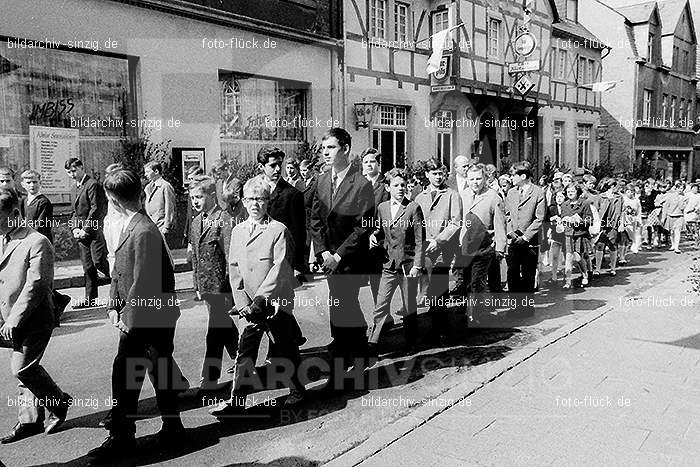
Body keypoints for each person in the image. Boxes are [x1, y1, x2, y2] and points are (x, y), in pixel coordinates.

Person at [88, 169, 185, 461]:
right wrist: (113, 304)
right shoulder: (134, 224)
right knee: (159, 368)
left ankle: (123, 437)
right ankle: (172, 426)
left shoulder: (143, 230)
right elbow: (121, 271)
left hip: (149, 314)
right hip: (146, 312)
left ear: (112, 201)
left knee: (126, 372)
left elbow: (143, 282)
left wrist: (126, 320)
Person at [209, 176, 306, 417]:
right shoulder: (238, 230)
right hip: (248, 306)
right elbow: (234, 268)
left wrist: (261, 300)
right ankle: (237, 400)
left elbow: (281, 267)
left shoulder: (278, 230)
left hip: (274, 303)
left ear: (268, 201)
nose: (255, 204)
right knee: (245, 352)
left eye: (260, 199)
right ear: (243, 200)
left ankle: (297, 390)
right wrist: (242, 302)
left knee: (284, 347)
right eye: (250, 199)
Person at [0, 188, 71, 444]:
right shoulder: (2, 236)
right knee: (21, 368)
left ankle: (59, 402)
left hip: (33, 318)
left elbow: (37, 285)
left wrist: (13, 319)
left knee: (22, 368)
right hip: (7, 317)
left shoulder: (37, 241)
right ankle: (30, 420)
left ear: (15, 213)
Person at [310, 128, 375, 386]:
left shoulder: (361, 184)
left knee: (342, 307)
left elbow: (364, 226)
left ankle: (345, 367)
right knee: (343, 308)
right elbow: (314, 220)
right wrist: (322, 250)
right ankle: (354, 359)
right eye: (323, 148)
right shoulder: (322, 180)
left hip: (349, 259)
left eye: (331, 148)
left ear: (346, 149)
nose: (325, 153)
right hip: (328, 257)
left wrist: (338, 255)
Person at [368, 169, 425, 354]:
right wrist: (373, 236)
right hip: (388, 265)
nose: (400, 189)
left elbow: (419, 239)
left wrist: (417, 265)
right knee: (381, 304)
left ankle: (411, 343)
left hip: (408, 265)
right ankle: (372, 343)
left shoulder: (413, 207)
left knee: (409, 306)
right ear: (387, 187)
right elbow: (380, 229)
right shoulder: (383, 208)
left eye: (403, 185)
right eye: (396, 185)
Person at [189, 176, 238, 391]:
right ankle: (244, 363)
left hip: (222, 287)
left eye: (199, 196)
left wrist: (231, 287)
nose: (195, 202)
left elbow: (229, 256)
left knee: (215, 332)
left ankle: (209, 378)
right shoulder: (196, 222)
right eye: (192, 198)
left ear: (211, 195)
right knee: (225, 329)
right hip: (206, 287)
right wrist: (196, 286)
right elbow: (196, 259)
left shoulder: (223, 219)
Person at [414, 158, 462, 342]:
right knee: (426, 288)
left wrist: (439, 240)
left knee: (440, 288)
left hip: (442, 249)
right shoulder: (420, 196)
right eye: (434, 173)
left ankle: (441, 329)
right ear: (427, 175)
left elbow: (455, 221)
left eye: (441, 173)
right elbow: (416, 222)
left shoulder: (452, 195)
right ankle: (433, 326)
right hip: (424, 249)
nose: (438, 177)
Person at [459, 163, 506, 324]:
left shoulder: (493, 197)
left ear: (485, 178)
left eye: (479, 178)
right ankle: (469, 311)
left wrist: (500, 248)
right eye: (471, 179)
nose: (475, 182)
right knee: (465, 281)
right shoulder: (462, 195)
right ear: (467, 179)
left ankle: (475, 315)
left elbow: (500, 224)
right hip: (464, 247)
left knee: (477, 281)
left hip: (484, 247)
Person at [19, 170, 72, 314]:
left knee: (42, 276)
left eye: (35, 182)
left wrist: (26, 236)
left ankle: (53, 307)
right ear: (23, 184)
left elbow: (41, 226)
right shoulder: (24, 201)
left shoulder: (43, 202)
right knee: (32, 277)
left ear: (40, 183)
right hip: (27, 242)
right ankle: (59, 300)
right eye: (28, 182)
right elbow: (22, 221)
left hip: (41, 242)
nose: (32, 185)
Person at [65, 157, 110, 309]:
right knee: (88, 266)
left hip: (94, 230)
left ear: (81, 168)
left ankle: (123, 285)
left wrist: (85, 229)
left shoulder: (92, 185)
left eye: (74, 170)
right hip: (81, 233)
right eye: (69, 172)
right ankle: (90, 298)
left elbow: (96, 208)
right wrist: (75, 229)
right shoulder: (74, 188)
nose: (72, 174)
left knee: (99, 262)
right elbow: (74, 212)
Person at [258, 147, 307, 278]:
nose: (278, 169)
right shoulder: (253, 190)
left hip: (282, 260)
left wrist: (297, 265)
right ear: (261, 166)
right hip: (257, 260)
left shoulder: (292, 194)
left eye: (280, 164)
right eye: (273, 165)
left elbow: (298, 233)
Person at [504, 161, 545, 316]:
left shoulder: (538, 193)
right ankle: (514, 307)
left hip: (530, 242)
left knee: (528, 274)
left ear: (522, 176)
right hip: (513, 240)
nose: (510, 178)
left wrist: (526, 236)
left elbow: (539, 218)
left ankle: (527, 307)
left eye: (512, 175)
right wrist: (511, 232)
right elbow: (507, 215)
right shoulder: (511, 192)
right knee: (512, 272)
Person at [362, 148, 390, 305]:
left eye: (372, 161)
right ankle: (382, 316)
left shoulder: (385, 185)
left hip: (381, 238)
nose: (368, 165)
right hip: (364, 238)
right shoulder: (359, 184)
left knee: (380, 281)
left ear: (379, 163)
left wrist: (375, 232)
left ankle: (382, 317)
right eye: (365, 162)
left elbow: (388, 212)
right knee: (371, 280)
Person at [561, 184, 593, 289]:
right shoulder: (564, 204)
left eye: (572, 191)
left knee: (578, 257)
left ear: (577, 192)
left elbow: (589, 220)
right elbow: (562, 218)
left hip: (580, 234)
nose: (570, 193)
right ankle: (568, 281)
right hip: (568, 234)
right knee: (569, 257)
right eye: (568, 191)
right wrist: (564, 220)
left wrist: (578, 221)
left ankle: (584, 273)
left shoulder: (585, 203)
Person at [593, 179, 622, 276]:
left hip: (613, 223)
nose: (614, 188)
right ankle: (597, 269)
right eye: (613, 186)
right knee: (600, 245)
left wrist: (620, 224)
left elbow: (621, 212)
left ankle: (613, 268)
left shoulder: (619, 197)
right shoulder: (601, 197)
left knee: (612, 245)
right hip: (602, 224)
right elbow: (595, 210)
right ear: (609, 186)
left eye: (615, 186)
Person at [143, 161, 177, 240]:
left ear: (156, 172)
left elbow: (170, 208)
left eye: (148, 172)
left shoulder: (165, 186)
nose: (145, 174)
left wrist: (166, 227)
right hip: (151, 226)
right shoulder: (148, 187)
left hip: (161, 226)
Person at [298, 159, 318, 272]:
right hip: (301, 217)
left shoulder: (315, 183)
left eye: (305, 170)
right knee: (303, 244)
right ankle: (304, 268)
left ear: (311, 170)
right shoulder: (299, 183)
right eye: (301, 170)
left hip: (311, 217)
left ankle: (310, 267)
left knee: (309, 242)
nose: (303, 173)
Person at [662, 181, 687, 254]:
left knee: (677, 231)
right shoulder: (670, 196)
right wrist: (664, 217)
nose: (680, 190)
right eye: (679, 188)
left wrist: (681, 200)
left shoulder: (684, 197)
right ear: (676, 188)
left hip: (679, 216)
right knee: (671, 231)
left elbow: (682, 208)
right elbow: (666, 206)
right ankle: (673, 244)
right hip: (670, 215)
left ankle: (676, 247)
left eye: (682, 188)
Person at [547, 190, 566, 283]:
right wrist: (552, 218)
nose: (559, 199)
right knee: (554, 256)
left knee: (567, 256)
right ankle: (554, 276)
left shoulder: (568, 207)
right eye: (557, 197)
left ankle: (567, 277)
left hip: (566, 233)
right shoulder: (551, 208)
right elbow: (545, 219)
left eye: (561, 196)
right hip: (555, 233)